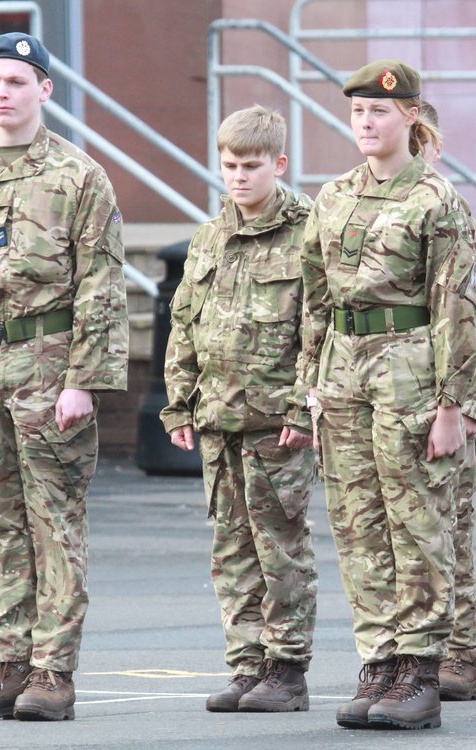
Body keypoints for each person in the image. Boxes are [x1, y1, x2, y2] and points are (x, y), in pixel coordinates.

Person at [0, 33, 128, 722]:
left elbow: (102, 284)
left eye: (16, 81)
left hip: (48, 363)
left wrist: (85, 379)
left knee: (54, 521)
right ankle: (7, 662)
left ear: (44, 89)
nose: (2, 93)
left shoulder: (78, 177)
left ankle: (52, 672)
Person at [297, 59, 476, 731]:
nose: (366, 123)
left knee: (418, 524)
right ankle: (379, 660)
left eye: (379, 111)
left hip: (410, 369)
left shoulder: (435, 201)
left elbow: (459, 309)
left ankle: (420, 668)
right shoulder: (333, 196)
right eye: (356, 113)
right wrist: (311, 383)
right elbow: (314, 296)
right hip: (345, 371)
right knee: (357, 524)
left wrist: (453, 406)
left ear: (411, 115)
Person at [159, 105, 318, 714]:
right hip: (218, 417)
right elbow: (184, 325)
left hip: (276, 422)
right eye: (228, 166)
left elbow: (318, 328)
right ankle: (247, 663)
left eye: (251, 166)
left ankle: (286, 668)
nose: (239, 177)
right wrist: (178, 406)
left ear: (278, 163)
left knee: (280, 548)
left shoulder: (308, 234)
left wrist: (303, 410)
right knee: (231, 550)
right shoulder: (210, 236)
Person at [419, 101, 476, 702]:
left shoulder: (449, 212)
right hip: (384, 391)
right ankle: (413, 648)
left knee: (453, 530)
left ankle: (459, 651)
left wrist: (464, 403)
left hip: (442, 391)